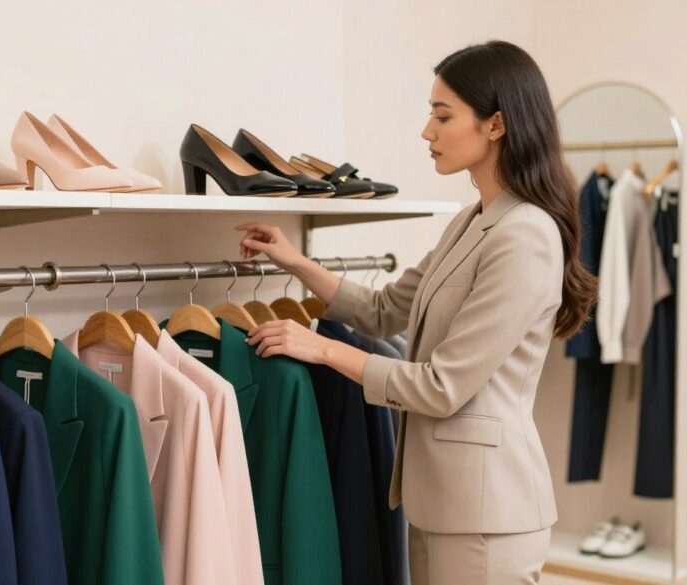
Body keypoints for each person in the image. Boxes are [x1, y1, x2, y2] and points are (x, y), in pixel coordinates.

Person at [237, 40, 595, 585]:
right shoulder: (472, 221)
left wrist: (322, 348)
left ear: (495, 125)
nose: (427, 131)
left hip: (488, 516)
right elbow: (385, 311)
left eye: (442, 115)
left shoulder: (526, 236)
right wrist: (295, 261)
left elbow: (443, 386)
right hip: (440, 502)